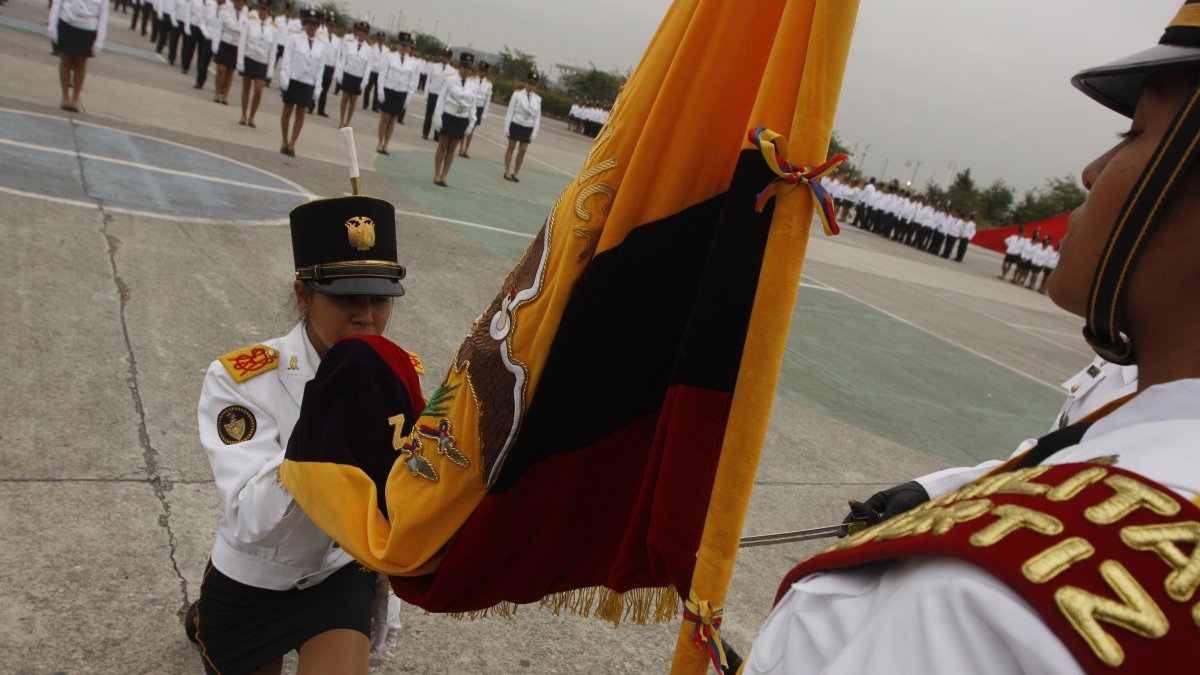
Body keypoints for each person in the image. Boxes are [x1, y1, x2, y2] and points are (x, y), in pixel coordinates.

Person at [743, 4, 1200, 672]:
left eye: (1135, 132)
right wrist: (939, 490)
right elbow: (1067, 451)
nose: (1093, 172)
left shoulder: (985, 606)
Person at [187, 190, 408, 675]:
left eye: (380, 299)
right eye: (347, 298)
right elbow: (250, 517)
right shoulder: (238, 378)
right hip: (253, 579)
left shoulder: (394, 375)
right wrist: (329, 422)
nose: (367, 317)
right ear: (303, 294)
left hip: (335, 574)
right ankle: (201, 614)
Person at [277, 8, 324, 156]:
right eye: (310, 23)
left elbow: (320, 69)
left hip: (308, 82)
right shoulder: (294, 38)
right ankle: (284, 140)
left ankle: (292, 143)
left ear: (318, 25)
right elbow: (287, 59)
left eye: (315, 24)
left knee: (301, 113)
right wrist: (284, 77)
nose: (312, 26)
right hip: (294, 79)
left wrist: (318, 88)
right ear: (305, 24)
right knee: (287, 110)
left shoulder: (321, 45)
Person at [48, 0, 108, 112]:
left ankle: (75, 98)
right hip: (67, 22)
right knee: (65, 60)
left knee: (80, 64)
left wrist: (100, 40)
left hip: (88, 26)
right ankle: (65, 97)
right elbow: (57, 4)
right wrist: (52, 26)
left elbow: (103, 15)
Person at [431, 51, 478, 187]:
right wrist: (438, 117)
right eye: (464, 67)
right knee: (442, 146)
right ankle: (437, 173)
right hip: (449, 115)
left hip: (462, 118)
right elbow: (441, 99)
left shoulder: (473, 84)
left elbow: (473, 105)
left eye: (469, 68)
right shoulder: (450, 79)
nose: (466, 70)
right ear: (460, 67)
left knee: (452, 149)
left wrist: (472, 121)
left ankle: (445, 175)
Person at [375, 32, 419, 155]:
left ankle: (386, 144)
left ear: (409, 47)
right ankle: (380, 142)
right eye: (402, 45)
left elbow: (413, 81)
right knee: (385, 118)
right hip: (388, 90)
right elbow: (382, 75)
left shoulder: (413, 63)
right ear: (398, 45)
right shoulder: (388, 57)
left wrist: (409, 97)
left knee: (393, 119)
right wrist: (380, 91)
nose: (404, 47)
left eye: (407, 45)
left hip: (401, 92)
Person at [236, 0, 275, 127]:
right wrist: (240, 61)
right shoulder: (249, 21)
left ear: (268, 10)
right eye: (260, 8)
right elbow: (242, 41)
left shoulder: (273, 28)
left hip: (262, 61)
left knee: (258, 90)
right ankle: (243, 114)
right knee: (246, 88)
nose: (262, 11)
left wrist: (270, 69)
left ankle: (252, 116)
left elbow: (273, 50)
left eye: (265, 9)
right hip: (249, 57)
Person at [502, 69, 542, 183]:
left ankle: (516, 172)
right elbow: (510, 111)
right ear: (526, 82)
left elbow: (537, 117)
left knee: (523, 150)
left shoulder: (538, 99)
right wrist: (506, 127)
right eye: (529, 83)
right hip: (516, 123)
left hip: (528, 126)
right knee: (511, 148)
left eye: (533, 84)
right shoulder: (517, 94)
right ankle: (507, 171)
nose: (531, 86)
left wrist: (535, 132)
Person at [334, 21, 372, 129]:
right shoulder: (349, 43)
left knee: (353, 101)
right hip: (348, 73)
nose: (362, 34)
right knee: (344, 99)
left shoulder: (369, 50)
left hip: (358, 76)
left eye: (365, 32)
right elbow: (343, 59)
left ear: (367, 35)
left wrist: (365, 81)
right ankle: (341, 120)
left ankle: (348, 122)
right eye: (360, 31)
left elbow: (368, 67)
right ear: (357, 32)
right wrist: (339, 73)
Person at [211, 0, 245, 104]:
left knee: (230, 72)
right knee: (221, 69)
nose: (237, 3)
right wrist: (215, 45)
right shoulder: (225, 10)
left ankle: (225, 94)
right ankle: (217, 92)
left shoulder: (246, 15)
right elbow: (218, 28)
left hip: (236, 45)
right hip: (225, 42)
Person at [459, 60, 493, 159]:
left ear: (486, 72)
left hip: (479, 107)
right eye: (480, 70)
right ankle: (461, 147)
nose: (481, 73)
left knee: (472, 129)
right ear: (478, 70)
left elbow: (487, 100)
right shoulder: (471, 79)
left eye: (484, 71)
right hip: (469, 105)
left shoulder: (489, 84)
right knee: (464, 126)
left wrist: (484, 113)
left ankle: (466, 149)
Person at [422, 47, 453, 140]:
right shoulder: (433, 66)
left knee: (439, 115)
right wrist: (426, 93)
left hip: (443, 96)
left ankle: (437, 134)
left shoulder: (452, 71)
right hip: (433, 93)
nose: (444, 58)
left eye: (447, 57)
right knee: (429, 114)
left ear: (449, 58)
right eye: (443, 56)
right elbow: (428, 80)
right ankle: (425, 133)